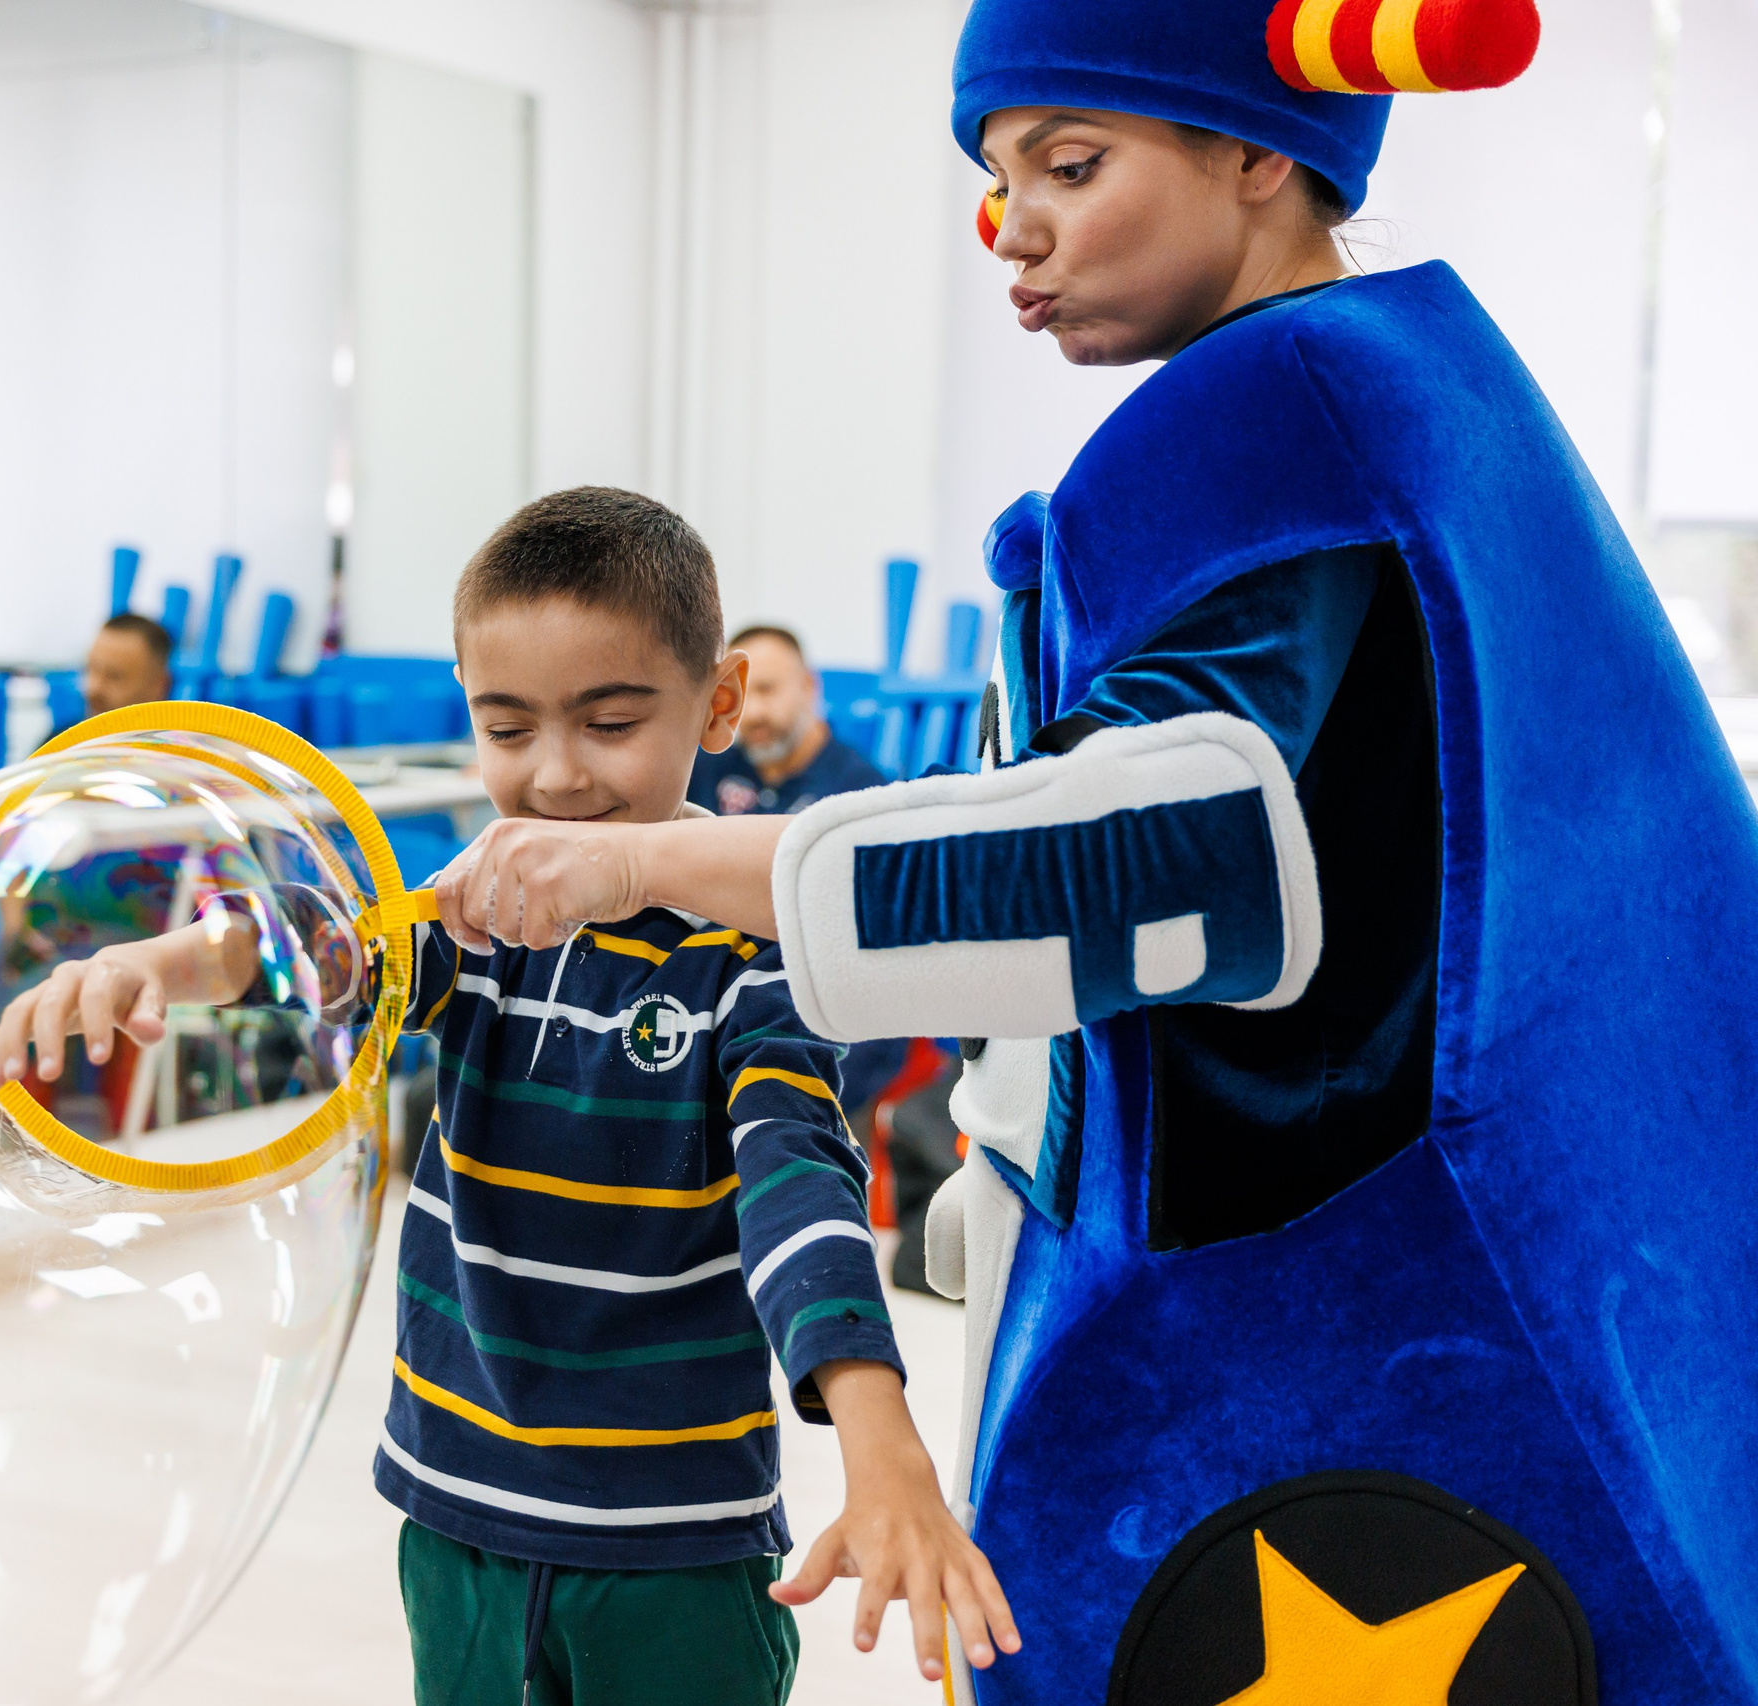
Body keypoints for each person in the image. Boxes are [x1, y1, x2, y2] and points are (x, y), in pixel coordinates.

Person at [422, 2, 1758, 1699]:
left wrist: (668, 864)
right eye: (997, 179)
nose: (1017, 228)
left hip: (1356, 1323)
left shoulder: (1276, 418)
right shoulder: (1416, 389)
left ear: (1261, 153)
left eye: (1072, 162)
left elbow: (1162, 855)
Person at [0, 487, 1018, 1702]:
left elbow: (798, 1184)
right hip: (456, 1511)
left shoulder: (750, 954)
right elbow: (319, 947)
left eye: (611, 721)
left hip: (670, 1544)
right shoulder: (477, 911)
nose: (557, 776)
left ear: (718, 702)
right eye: (508, 727)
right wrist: (156, 960)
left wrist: (874, 1427)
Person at [689, 624, 941, 1281]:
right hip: (716, 1027)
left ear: (811, 690)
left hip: (835, 1042)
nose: (758, 713)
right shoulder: (711, 771)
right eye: (741, 697)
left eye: (771, 690)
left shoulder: (860, 791)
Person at [687, 625, 885, 818]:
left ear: (808, 686)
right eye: (739, 695)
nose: (752, 713)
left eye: (766, 689)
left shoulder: (860, 791)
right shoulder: (702, 771)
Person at [82, 612, 175, 716]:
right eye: (91, 668)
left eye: (115, 676)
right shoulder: (65, 731)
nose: (94, 688)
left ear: (159, 685)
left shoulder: (186, 732)